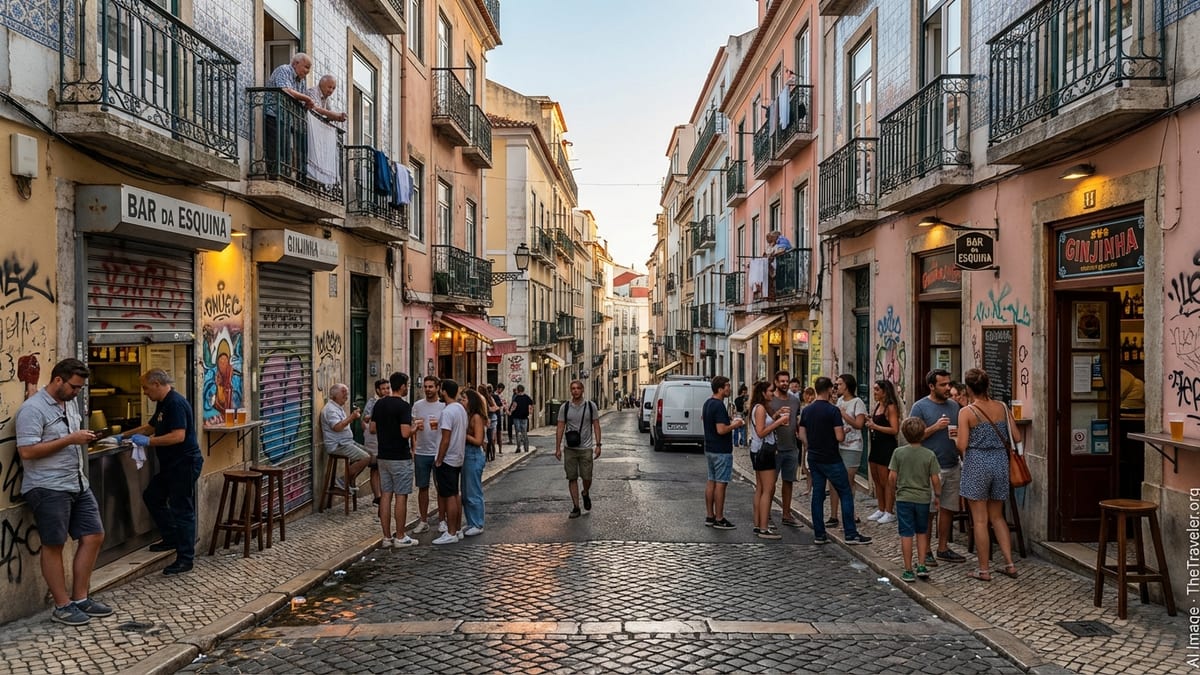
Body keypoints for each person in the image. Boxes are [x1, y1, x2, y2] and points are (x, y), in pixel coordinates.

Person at [15, 359, 113, 625]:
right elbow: (27, 452)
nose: (77, 392)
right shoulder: (32, 410)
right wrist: (70, 439)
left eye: (80, 388)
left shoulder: (69, 404)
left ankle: (81, 598)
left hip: (76, 482)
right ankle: (62, 605)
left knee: (94, 535)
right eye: (74, 387)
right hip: (47, 487)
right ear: (58, 380)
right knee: (54, 544)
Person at [119, 369, 203, 575]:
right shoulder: (163, 402)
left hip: (183, 463)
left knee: (182, 510)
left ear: (157, 384)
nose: (145, 393)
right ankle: (171, 537)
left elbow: (178, 436)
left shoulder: (175, 403)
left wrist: (149, 442)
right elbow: (150, 426)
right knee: (153, 496)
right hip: (170, 464)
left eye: (146, 388)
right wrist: (122, 435)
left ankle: (185, 558)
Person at [957, 368, 1021, 582]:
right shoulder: (1002, 407)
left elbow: (962, 444)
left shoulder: (967, 412)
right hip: (1000, 462)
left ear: (968, 388)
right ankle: (1010, 564)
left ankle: (983, 570)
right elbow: (1017, 436)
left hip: (977, 463)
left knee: (981, 520)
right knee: (998, 516)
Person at [798, 376, 872, 545]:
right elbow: (839, 437)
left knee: (817, 494)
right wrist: (843, 432)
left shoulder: (807, 410)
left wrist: (810, 445)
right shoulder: (832, 411)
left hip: (814, 457)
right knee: (845, 492)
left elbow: (801, 434)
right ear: (829, 389)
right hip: (831, 457)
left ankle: (819, 534)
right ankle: (851, 534)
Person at [910, 369, 965, 566]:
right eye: (943, 385)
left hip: (952, 464)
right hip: (929, 468)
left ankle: (943, 548)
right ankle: (925, 552)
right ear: (932, 386)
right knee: (929, 511)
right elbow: (912, 436)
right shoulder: (920, 407)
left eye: (949, 384)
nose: (948, 388)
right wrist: (934, 428)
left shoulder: (955, 407)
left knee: (948, 508)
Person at [889, 417, 942, 583]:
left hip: (904, 498)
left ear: (904, 433)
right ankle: (921, 564)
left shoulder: (898, 453)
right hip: (923, 499)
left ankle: (908, 569)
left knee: (906, 534)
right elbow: (935, 480)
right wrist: (938, 496)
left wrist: (894, 490)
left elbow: (892, 477)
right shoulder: (929, 455)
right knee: (921, 532)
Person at [369, 372, 417, 548]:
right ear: (403, 386)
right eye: (407, 385)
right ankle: (401, 536)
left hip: (383, 457)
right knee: (401, 497)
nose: (408, 388)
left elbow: (372, 429)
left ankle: (387, 537)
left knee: (385, 496)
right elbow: (405, 433)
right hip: (400, 457)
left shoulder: (379, 404)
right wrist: (415, 427)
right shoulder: (404, 406)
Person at [748, 381, 790, 540]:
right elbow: (761, 432)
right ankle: (764, 528)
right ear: (763, 393)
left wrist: (775, 415)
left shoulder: (759, 408)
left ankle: (758, 524)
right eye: (771, 391)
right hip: (764, 452)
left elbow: (763, 425)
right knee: (768, 489)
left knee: (760, 489)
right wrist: (779, 422)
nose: (773, 393)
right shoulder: (759, 409)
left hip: (758, 451)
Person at [555, 380, 601, 519]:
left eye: (578, 388)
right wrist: (558, 448)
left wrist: (598, 445)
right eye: (573, 388)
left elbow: (596, 425)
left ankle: (585, 492)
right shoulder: (565, 407)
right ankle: (576, 507)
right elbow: (560, 427)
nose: (575, 391)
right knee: (572, 477)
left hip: (586, 447)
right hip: (570, 448)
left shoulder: (590, 406)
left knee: (587, 476)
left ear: (582, 390)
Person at [702, 376, 742, 530]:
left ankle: (710, 516)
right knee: (721, 484)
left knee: (711, 481)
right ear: (720, 388)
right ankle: (719, 517)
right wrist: (735, 424)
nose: (729, 389)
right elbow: (721, 429)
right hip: (721, 450)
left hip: (710, 448)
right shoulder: (718, 406)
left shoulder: (707, 403)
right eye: (727, 386)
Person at [265, 52, 315, 173]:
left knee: (286, 149)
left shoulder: (301, 81)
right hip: (274, 114)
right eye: (306, 67)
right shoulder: (284, 70)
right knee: (276, 148)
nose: (308, 71)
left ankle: (284, 174)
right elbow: (286, 90)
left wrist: (306, 102)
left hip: (287, 119)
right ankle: (274, 174)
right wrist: (307, 99)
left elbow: (300, 98)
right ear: (296, 63)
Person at [828, 373, 867, 526]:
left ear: (848, 386)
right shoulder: (838, 401)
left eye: (839, 384)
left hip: (853, 446)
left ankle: (850, 514)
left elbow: (859, 424)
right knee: (833, 480)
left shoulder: (858, 402)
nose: (837, 387)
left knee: (846, 480)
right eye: (836, 384)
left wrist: (843, 414)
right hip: (838, 445)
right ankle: (833, 515)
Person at [432, 379, 468, 545]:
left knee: (449, 496)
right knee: (455, 493)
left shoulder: (447, 412)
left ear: (443, 391)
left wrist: (439, 459)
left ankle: (451, 532)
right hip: (458, 456)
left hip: (448, 458)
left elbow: (445, 439)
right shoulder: (461, 408)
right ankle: (458, 529)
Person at [320, 383, 372, 494]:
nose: (346, 394)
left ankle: (348, 480)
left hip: (347, 442)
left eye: (346, 392)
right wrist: (352, 417)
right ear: (334, 395)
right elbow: (337, 427)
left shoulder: (338, 408)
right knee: (365, 458)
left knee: (371, 455)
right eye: (343, 392)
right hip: (338, 445)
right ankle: (343, 480)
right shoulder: (330, 409)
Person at [410, 375, 446, 534]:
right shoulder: (417, 406)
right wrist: (413, 447)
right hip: (421, 452)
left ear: (438, 388)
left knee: (441, 488)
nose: (428, 389)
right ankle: (423, 520)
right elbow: (412, 427)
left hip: (438, 452)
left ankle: (442, 520)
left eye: (431, 386)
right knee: (422, 487)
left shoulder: (444, 406)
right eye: (425, 386)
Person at [865, 379, 902, 525]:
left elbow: (894, 429)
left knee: (886, 480)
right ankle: (880, 507)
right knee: (876, 479)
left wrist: (875, 426)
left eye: (876, 390)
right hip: (876, 445)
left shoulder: (890, 407)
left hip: (886, 446)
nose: (874, 392)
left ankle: (889, 510)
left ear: (884, 391)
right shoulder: (877, 406)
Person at [770, 370, 803, 528]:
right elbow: (765, 423)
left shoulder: (794, 401)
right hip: (774, 448)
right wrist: (776, 415)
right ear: (776, 382)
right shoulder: (770, 400)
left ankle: (786, 513)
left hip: (791, 446)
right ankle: (766, 513)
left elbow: (797, 420)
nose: (784, 383)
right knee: (771, 482)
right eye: (781, 381)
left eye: (786, 381)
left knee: (788, 481)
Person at [460, 388, 489, 536]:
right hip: (466, 455)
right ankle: (471, 522)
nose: (462, 401)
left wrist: (463, 435)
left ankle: (478, 523)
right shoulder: (467, 416)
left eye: (464, 399)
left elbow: (478, 440)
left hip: (474, 455)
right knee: (465, 492)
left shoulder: (476, 417)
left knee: (473, 491)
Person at [362, 378, 389, 506]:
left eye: (387, 388)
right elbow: (364, 421)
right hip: (374, 441)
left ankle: (385, 494)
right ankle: (377, 496)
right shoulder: (372, 403)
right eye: (383, 389)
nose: (386, 391)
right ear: (377, 390)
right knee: (375, 468)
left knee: (384, 468)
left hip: (386, 440)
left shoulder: (392, 402)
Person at [507, 384, 534, 453]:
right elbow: (531, 406)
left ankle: (518, 447)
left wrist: (510, 412)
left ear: (518, 390)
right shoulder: (527, 397)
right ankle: (526, 448)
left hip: (516, 417)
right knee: (524, 432)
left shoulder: (516, 397)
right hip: (524, 417)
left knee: (517, 432)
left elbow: (514, 406)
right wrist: (530, 412)